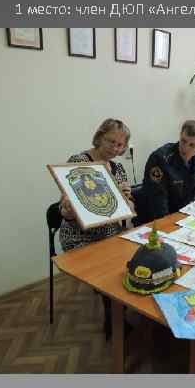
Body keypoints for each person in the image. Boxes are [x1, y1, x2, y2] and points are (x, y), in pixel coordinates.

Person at [57, 118, 133, 339]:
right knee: (113, 273)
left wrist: (127, 202)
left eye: (120, 145)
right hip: (80, 235)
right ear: (99, 137)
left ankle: (118, 312)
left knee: (134, 260)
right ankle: (115, 320)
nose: (115, 149)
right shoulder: (80, 161)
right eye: (111, 141)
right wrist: (68, 209)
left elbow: (127, 208)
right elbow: (65, 211)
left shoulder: (118, 168)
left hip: (110, 233)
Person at [133, 120, 195, 225]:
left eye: (192, 145)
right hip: (154, 220)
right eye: (183, 141)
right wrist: (169, 224)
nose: (185, 148)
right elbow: (157, 199)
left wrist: (190, 213)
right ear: (180, 136)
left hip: (183, 216)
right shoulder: (160, 159)